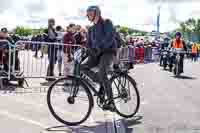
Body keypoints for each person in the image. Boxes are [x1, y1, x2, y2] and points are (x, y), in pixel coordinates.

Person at [81, 6, 117, 111]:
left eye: (91, 13)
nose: (89, 16)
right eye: (88, 14)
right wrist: (87, 50)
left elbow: (110, 37)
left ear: (97, 13)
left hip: (108, 51)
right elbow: (88, 44)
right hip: (96, 53)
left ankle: (111, 103)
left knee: (102, 72)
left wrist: (100, 48)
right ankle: (101, 82)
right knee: (82, 66)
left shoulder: (107, 22)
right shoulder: (91, 29)